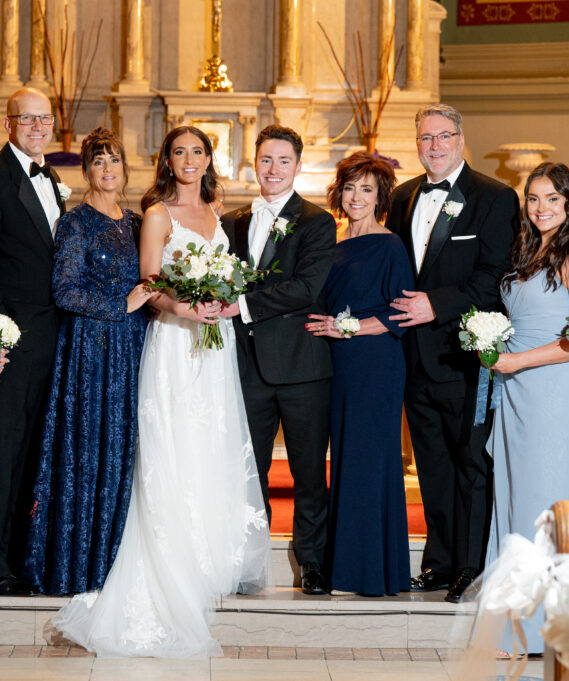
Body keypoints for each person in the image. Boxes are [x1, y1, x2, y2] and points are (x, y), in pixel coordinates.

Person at [53, 126, 269, 658]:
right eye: (180, 152)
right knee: (171, 443)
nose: (189, 159)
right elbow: (148, 280)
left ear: (208, 159)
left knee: (209, 441)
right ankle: (170, 563)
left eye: (198, 151)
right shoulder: (155, 214)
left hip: (214, 346)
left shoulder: (220, 214)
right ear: (166, 162)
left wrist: (222, 301)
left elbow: (229, 275)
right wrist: (184, 307)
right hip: (175, 343)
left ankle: (208, 554)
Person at [385, 104, 519, 603]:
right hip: (411, 358)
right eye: (425, 138)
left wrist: (435, 305)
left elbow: (493, 277)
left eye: (444, 137)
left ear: (462, 139)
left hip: (464, 356)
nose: (434, 146)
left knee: (470, 464)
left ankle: (471, 565)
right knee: (432, 466)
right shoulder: (401, 197)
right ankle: (438, 563)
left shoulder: (494, 197)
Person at [23, 128, 152, 595]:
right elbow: (64, 291)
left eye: (114, 161)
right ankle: (82, 565)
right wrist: (121, 307)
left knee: (129, 450)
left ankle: (121, 561)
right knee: (91, 448)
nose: (107, 170)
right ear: (86, 171)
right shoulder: (75, 223)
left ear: (125, 168)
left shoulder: (139, 223)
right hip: (91, 350)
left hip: (135, 346)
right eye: (98, 162)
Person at [484, 162, 569, 653]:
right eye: (533, 199)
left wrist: (519, 360)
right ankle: (515, 617)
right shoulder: (527, 249)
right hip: (515, 390)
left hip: (553, 388)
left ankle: (549, 624)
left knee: (546, 497)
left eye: (551, 198)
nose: (541, 208)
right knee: (514, 495)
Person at [219, 125, 336, 595]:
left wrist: (241, 305)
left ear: (297, 166)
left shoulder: (316, 221)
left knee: (309, 471)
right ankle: (249, 562)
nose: (273, 169)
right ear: (254, 163)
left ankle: (311, 562)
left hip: (303, 367)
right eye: (265, 160)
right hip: (246, 366)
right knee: (249, 470)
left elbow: (307, 287)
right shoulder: (231, 221)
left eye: (283, 161)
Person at [0, 87, 67, 594]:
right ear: (7, 124)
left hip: (53, 338)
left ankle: (24, 555)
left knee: (33, 451)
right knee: (1, 451)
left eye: (43, 118)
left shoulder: (53, 177)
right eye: (25, 119)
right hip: (11, 340)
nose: (35, 126)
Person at [304, 153, 414, 596]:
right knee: (345, 459)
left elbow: (401, 315)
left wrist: (346, 328)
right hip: (338, 364)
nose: (356, 197)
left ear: (380, 196)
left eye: (366, 189)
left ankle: (372, 572)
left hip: (374, 363)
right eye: (350, 188)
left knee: (370, 460)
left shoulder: (390, 245)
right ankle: (345, 566)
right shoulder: (331, 242)